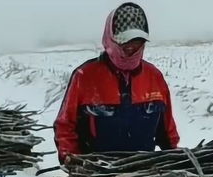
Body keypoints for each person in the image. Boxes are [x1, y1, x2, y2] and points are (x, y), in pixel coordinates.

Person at [54, 2, 180, 164]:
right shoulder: (85, 77)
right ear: (111, 39)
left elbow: (167, 129)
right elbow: (65, 126)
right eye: (126, 42)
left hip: (144, 176)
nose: (132, 48)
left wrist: (175, 161)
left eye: (138, 42)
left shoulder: (154, 77)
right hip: (98, 175)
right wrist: (74, 163)